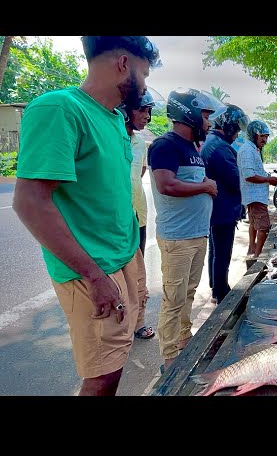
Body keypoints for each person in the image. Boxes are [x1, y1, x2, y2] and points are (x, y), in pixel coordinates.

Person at [12, 36, 160, 396]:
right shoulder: (60, 109)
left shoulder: (113, 120)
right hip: (92, 269)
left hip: (124, 257)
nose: (144, 83)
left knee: (118, 358)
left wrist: (133, 260)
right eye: (143, 72)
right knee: (103, 373)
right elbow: (30, 203)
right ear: (124, 64)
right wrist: (94, 276)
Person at [147, 87, 225, 372]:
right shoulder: (164, 146)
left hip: (196, 234)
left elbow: (193, 181)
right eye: (205, 115)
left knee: (188, 292)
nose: (209, 122)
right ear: (189, 114)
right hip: (177, 238)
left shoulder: (193, 149)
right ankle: (169, 359)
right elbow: (166, 185)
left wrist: (204, 186)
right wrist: (205, 186)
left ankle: (184, 338)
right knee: (173, 298)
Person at [117, 90, 157, 340]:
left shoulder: (140, 143)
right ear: (124, 109)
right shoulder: (112, 138)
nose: (147, 116)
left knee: (138, 274)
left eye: (149, 111)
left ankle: (139, 321)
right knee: (118, 276)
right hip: (115, 221)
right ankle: (120, 325)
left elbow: (139, 174)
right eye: (142, 109)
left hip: (138, 217)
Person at [201, 104, 250, 303]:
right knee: (222, 252)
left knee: (216, 250)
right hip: (222, 209)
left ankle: (216, 287)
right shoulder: (220, 147)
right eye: (237, 129)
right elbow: (235, 179)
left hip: (216, 208)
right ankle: (221, 292)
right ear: (228, 125)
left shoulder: (212, 142)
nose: (237, 133)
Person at [237, 120, 277, 260]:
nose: (265, 140)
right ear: (253, 135)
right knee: (263, 227)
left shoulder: (252, 149)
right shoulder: (247, 150)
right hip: (255, 197)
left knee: (254, 224)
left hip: (255, 196)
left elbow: (255, 171)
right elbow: (249, 176)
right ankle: (257, 255)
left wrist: (268, 177)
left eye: (266, 136)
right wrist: (269, 180)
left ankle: (252, 249)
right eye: (262, 136)